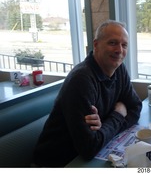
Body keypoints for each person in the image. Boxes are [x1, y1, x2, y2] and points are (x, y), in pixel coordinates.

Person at [33, 20, 142, 167]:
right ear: (96, 45)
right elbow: (89, 147)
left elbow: (135, 108)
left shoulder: (119, 69)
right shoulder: (81, 80)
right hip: (59, 163)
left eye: (124, 45)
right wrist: (117, 115)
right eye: (112, 43)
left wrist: (104, 127)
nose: (119, 50)